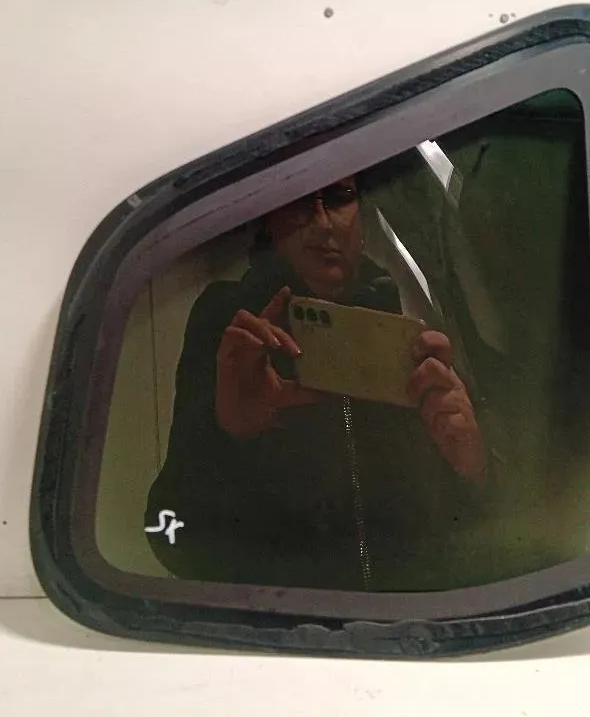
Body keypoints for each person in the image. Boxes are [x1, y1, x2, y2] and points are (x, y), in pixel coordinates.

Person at [145, 175, 489, 591]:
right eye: (298, 201)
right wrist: (230, 434)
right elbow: (169, 535)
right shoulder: (231, 328)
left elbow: (467, 538)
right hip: (288, 620)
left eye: (340, 198)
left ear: (362, 213)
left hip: (412, 618)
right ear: (270, 217)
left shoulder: (407, 331)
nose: (322, 223)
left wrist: (472, 464)